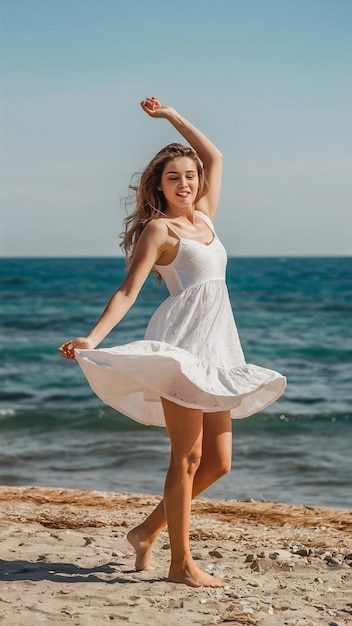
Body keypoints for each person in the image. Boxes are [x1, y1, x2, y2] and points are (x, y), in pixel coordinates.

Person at [59, 96, 286, 587]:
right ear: (157, 187)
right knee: (185, 457)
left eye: (190, 175)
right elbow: (127, 291)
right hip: (180, 348)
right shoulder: (158, 231)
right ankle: (180, 564)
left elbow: (217, 157)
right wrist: (92, 337)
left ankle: (146, 530)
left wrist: (172, 117)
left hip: (218, 349)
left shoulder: (205, 217)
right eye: (173, 177)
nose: (186, 183)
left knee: (218, 462)